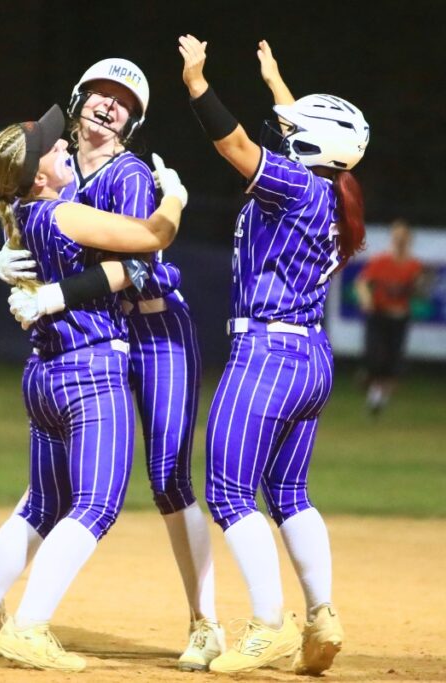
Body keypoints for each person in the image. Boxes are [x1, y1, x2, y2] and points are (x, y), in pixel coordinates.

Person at [0, 58, 220, 670]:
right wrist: (6, 257)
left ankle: (205, 622)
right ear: (78, 98)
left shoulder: (128, 174)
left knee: (169, 480)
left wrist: (54, 294)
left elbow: (145, 262)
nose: (110, 105)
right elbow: (42, 228)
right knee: (54, 489)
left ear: (133, 121)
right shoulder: (61, 175)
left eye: (125, 102)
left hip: (156, 331)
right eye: (101, 93)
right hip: (100, 339)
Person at [0, 104, 187, 672]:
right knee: (97, 505)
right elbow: (153, 237)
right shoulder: (62, 214)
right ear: (41, 177)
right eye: (53, 149)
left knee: (41, 505)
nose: (63, 149)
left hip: (44, 375)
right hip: (91, 372)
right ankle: (27, 628)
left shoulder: (24, 217)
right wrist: (174, 195)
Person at [177, 36, 369, 674]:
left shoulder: (293, 187)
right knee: (288, 492)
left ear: (312, 145)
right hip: (310, 357)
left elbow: (235, 146)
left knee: (229, 492)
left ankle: (268, 624)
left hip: (266, 353)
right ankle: (322, 612)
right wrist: (278, 83)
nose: (282, 129)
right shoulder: (330, 194)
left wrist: (198, 83)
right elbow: (305, 136)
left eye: (294, 127)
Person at [355, 219, 423, 414]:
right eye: (397, 236)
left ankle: (377, 397)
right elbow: (362, 283)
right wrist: (366, 300)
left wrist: (419, 287)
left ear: (409, 240)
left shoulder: (413, 266)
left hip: (399, 317)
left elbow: (417, 291)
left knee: (392, 361)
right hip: (378, 315)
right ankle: (369, 380)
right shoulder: (380, 261)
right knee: (375, 356)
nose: (400, 240)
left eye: (403, 237)